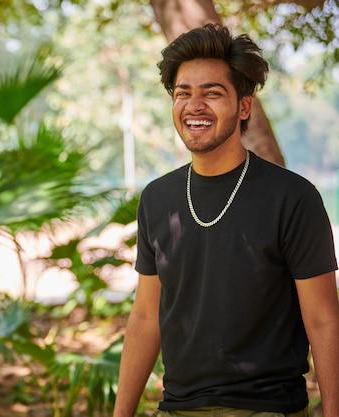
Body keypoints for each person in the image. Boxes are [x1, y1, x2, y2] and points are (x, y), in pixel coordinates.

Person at [113, 24, 339, 417]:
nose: (194, 105)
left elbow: (323, 320)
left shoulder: (293, 198)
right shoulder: (157, 199)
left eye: (212, 93)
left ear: (244, 106)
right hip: (176, 408)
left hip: (267, 409)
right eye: (183, 93)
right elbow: (146, 317)